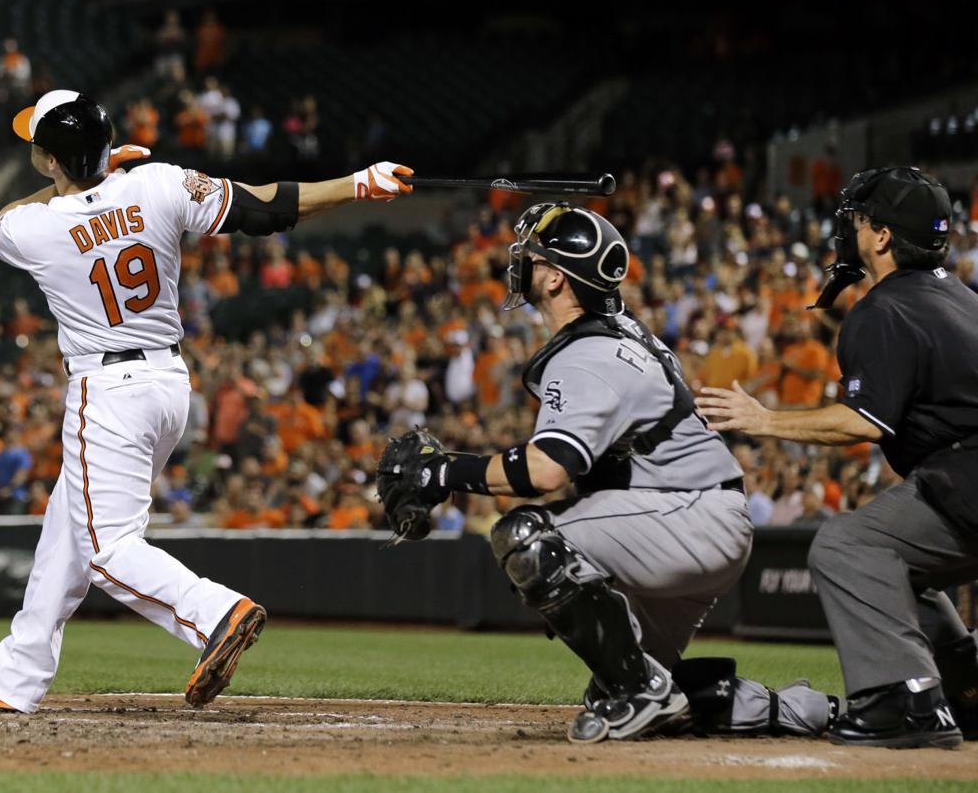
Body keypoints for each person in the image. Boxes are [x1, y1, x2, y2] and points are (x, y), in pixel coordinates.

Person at [0, 89, 413, 714]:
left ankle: (214, 613)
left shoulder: (33, 226)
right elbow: (269, 209)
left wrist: (84, 176)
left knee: (106, 550)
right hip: (168, 384)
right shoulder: (158, 183)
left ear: (49, 160)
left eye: (40, 151)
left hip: (106, 389)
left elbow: (8, 216)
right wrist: (359, 183)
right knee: (65, 532)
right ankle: (13, 676)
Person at [377, 202, 838, 743]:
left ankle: (645, 690)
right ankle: (795, 709)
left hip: (685, 515)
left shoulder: (589, 355)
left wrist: (445, 472)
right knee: (622, 682)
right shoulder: (613, 333)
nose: (520, 263)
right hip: (689, 513)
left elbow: (547, 472)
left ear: (553, 278)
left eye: (532, 256)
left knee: (528, 538)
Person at [697, 167, 978, 749]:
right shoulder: (963, 298)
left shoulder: (884, 309)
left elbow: (863, 421)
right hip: (963, 473)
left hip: (967, 472)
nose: (846, 232)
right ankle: (967, 690)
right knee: (897, 568)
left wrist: (763, 419)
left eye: (856, 221)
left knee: (846, 545)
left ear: (880, 237)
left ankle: (905, 702)